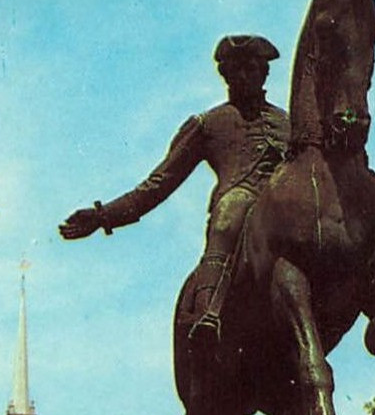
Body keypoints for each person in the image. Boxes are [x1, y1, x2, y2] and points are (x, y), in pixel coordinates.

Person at [59, 35, 290, 346]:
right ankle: (209, 314)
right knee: (229, 212)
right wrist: (104, 216)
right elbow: (159, 183)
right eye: (236, 70)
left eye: (252, 68)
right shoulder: (208, 124)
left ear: (264, 72)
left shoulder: (289, 123)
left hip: (283, 210)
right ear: (225, 75)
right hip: (238, 206)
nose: (245, 76)